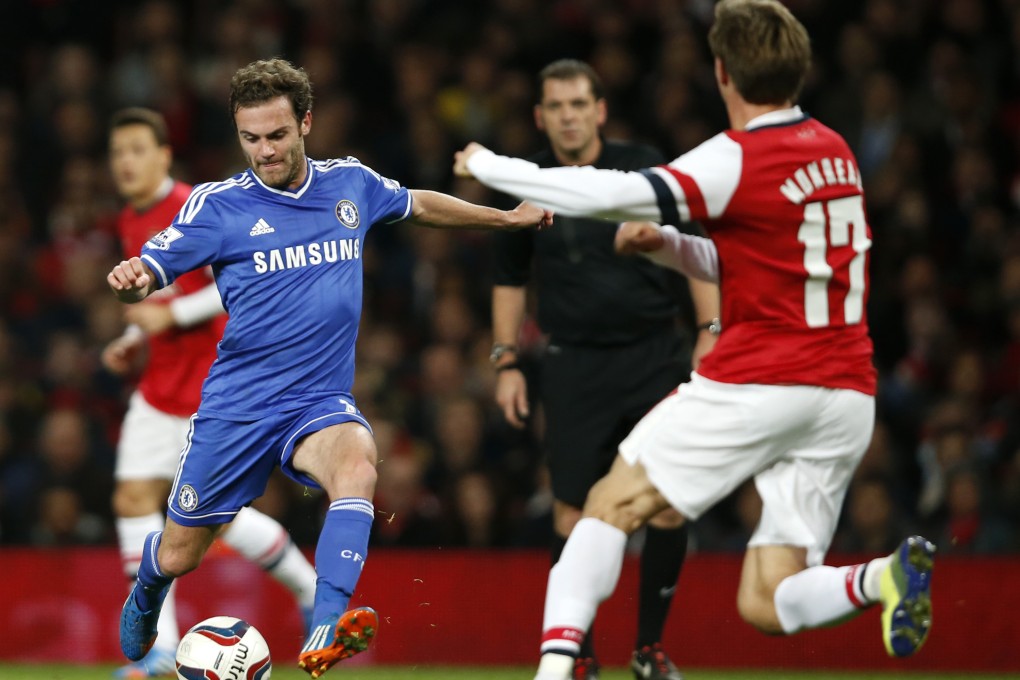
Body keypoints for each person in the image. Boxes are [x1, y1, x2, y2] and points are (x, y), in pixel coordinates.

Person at [454, 1, 935, 676]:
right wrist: (673, 248)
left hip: (763, 378)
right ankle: (882, 579)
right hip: (846, 397)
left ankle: (555, 672)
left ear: (722, 74)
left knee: (607, 506)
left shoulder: (738, 155)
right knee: (768, 601)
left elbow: (612, 194)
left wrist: (495, 166)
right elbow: (775, 266)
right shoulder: (836, 152)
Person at [107, 58, 552, 680]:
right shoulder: (219, 206)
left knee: (358, 461)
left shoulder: (350, 185)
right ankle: (151, 581)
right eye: (251, 138)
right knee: (184, 552)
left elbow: (417, 203)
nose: (264, 151)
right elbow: (150, 270)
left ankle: (325, 623)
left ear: (306, 123)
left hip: (316, 400)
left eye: (277, 136)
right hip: (237, 407)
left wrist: (504, 217)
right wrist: (131, 284)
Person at [488, 59, 719, 680]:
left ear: (600, 110)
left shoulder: (641, 165)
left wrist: (710, 331)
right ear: (541, 116)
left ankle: (649, 649)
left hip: (654, 355)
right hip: (573, 364)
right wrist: (507, 360)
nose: (568, 115)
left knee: (668, 506)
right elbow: (509, 279)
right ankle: (580, 657)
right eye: (556, 106)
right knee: (571, 513)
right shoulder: (529, 181)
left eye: (578, 104)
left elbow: (699, 246)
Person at [104, 106, 319, 679]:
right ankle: (158, 652)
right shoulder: (132, 216)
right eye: (117, 151)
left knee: (211, 519)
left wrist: (169, 317)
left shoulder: (199, 205)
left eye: (136, 149)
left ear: (163, 156)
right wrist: (132, 336)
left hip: (211, 386)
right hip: (158, 386)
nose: (125, 161)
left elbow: (239, 287)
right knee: (133, 498)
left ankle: (311, 590)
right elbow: (153, 292)